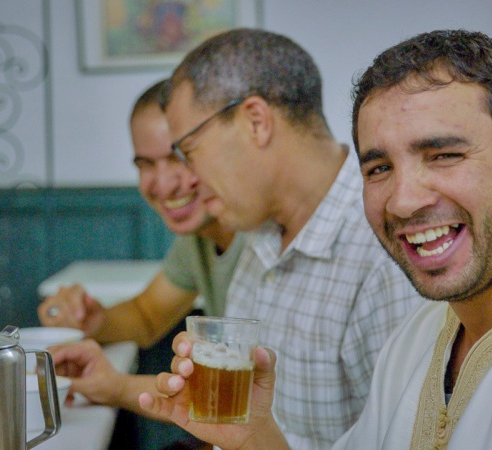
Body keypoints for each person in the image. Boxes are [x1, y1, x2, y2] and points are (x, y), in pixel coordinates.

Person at [139, 29, 492, 449]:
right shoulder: (423, 333)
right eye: (379, 167)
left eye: (444, 155)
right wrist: (254, 437)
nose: (403, 201)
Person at [153, 28, 420, 449]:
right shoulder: (258, 233)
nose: (186, 179)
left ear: (256, 122)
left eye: (190, 150)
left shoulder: (382, 247)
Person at [40, 79, 246, 450]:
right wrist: (94, 320)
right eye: (145, 164)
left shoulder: (260, 236)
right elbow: (148, 315)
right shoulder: (198, 239)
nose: (164, 184)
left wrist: (116, 387)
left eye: (180, 157)